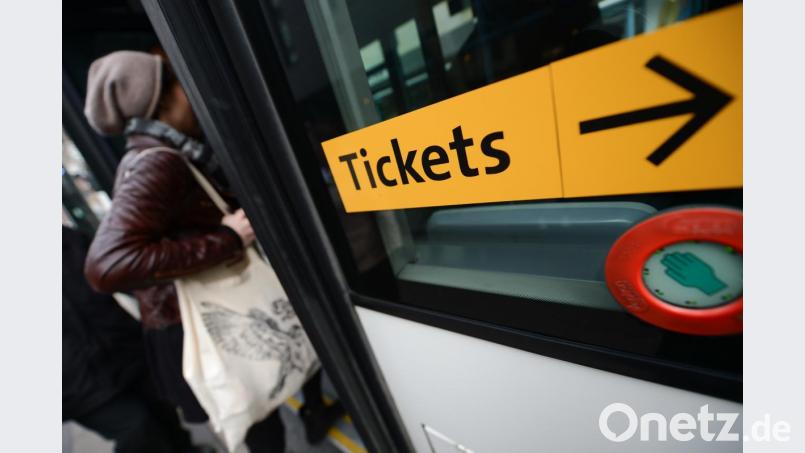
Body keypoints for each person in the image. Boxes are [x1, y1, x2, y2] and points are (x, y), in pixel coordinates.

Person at [82, 50, 341, 451]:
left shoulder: (157, 153)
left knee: (263, 410)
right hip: (195, 321)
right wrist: (227, 240)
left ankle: (311, 413)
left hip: (184, 317)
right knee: (259, 420)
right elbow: (107, 265)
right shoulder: (157, 163)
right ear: (163, 97)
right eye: (182, 83)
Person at [63, 226, 196, 453]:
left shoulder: (66, 238)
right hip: (75, 382)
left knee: (165, 416)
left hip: (125, 350)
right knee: (137, 428)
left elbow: (113, 271)